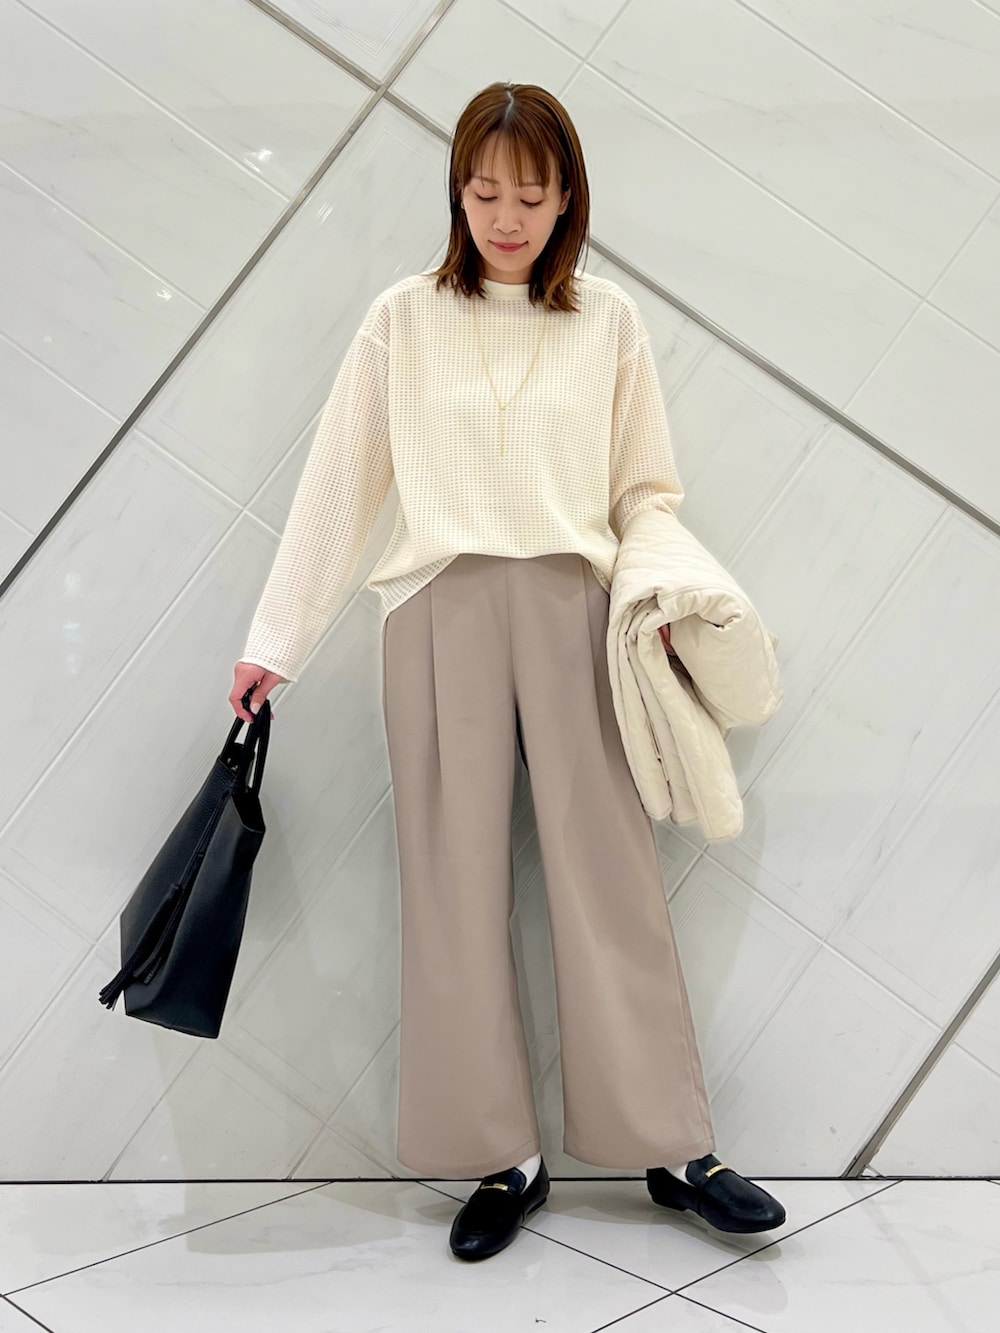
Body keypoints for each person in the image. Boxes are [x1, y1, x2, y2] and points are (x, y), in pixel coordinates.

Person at [230, 82, 786, 1262]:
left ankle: (672, 1149)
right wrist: (275, 640)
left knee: (610, 875)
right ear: (457, 193)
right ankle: (502, 1157)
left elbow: (645, 490)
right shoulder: (403, 317)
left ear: (567, 195)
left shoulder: (607, 321)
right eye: (483, 192)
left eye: (529, 195)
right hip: (437, 609)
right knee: (451, 883)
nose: (504, 217)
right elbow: (340, 483)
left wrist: (660, 596)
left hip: (575, 605)